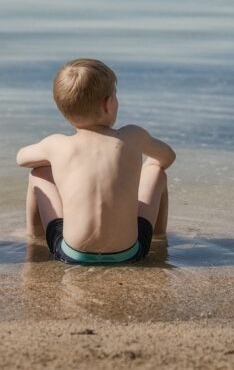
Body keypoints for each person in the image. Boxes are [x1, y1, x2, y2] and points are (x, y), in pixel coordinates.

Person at [17, 58, 175, 265]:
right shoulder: (133, 135)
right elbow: (167, 157)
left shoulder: (57, 144)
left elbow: (21, 158)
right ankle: (158, 236)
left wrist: (54, 161)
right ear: (108, 104)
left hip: (72, 253)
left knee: (38, 172)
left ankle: (34, 236)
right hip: (131, 252)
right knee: (156, 170)